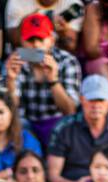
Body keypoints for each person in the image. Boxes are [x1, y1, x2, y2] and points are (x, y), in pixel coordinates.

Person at [45, 74, 108, 182]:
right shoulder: (64, 128)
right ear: (82, 99)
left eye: (101, 100)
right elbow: (53, 177)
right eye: (91, 99)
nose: (96, 105)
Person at [5, 12, 81, 143]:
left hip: (57, 123)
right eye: (30, 40)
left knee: (67, 126)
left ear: (51, 40)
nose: (36, 45)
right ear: (22, 41)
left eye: (41, 39)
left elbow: (70, 110)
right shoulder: (15, 61)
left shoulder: (67, 61)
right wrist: (11, 80)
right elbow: (12, 110)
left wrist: (53, 80)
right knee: (19, 125)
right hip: (27, 125)